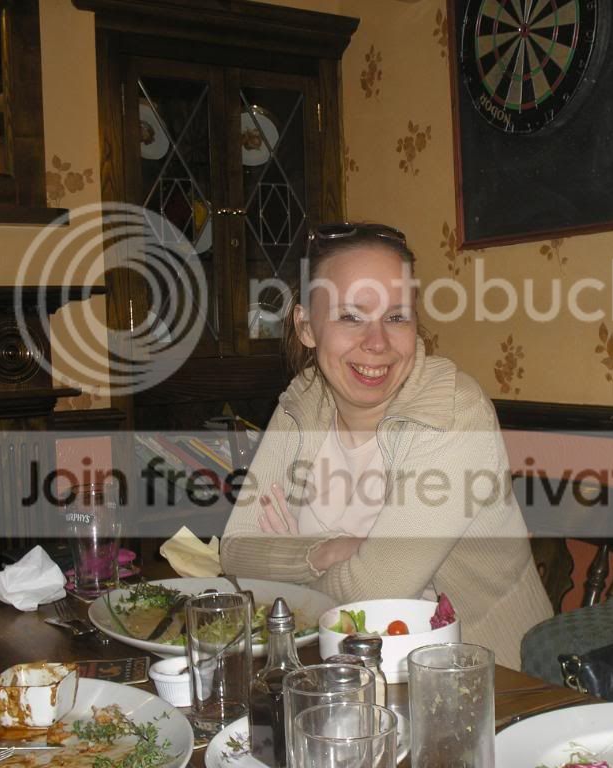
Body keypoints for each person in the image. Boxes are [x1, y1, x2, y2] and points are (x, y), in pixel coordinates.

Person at [219, 222, 554, 669]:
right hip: (342, 670)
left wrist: (288, 568)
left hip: (486, 678)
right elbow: (235, 552)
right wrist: (326, 551)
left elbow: (372, 592)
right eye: (350, 317)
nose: (376, 343)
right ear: (306, 326)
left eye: (396, 317)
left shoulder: (452, 413)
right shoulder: (304, 402)